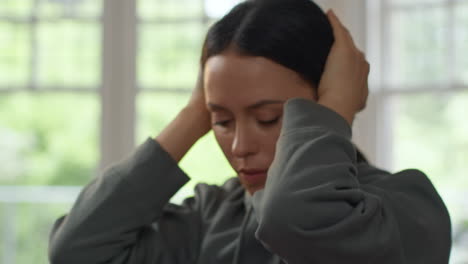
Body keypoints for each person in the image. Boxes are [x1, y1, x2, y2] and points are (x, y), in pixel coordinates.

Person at [48, 0, 452, 263]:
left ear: (328, 103)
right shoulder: (211, 218)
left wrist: (336, 109)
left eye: (269, 118)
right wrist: (194, 114)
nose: (239, 147)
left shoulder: (407, 212)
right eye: (222, 122)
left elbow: (294, 218)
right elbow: (76, 251)